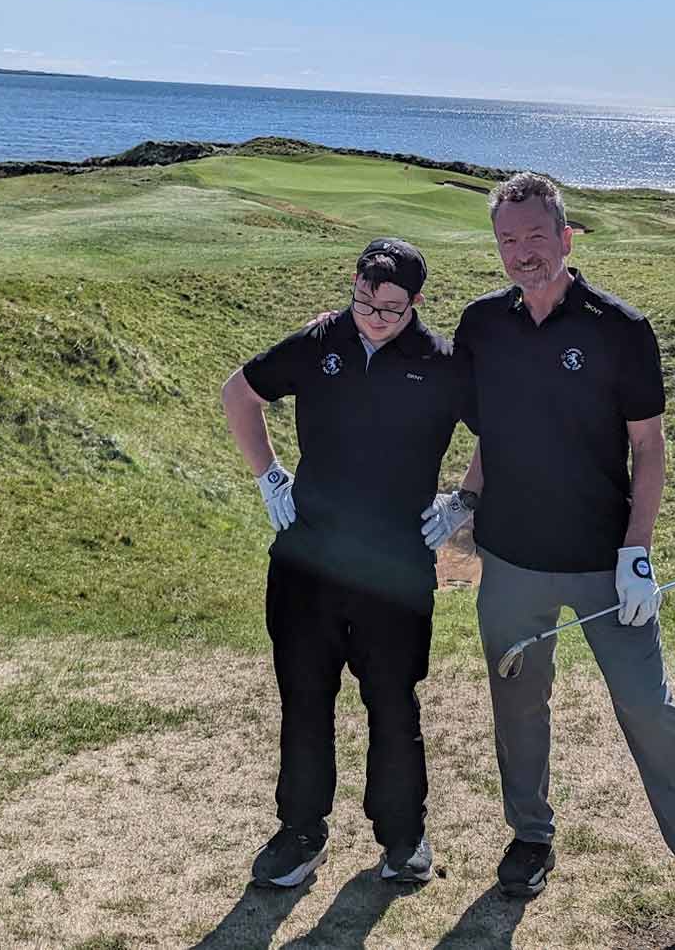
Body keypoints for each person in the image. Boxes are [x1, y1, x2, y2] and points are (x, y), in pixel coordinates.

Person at [418, 173, 675, 949]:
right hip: (512, 560)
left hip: (606, 565)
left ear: (566, 238)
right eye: (508, 240)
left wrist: (638, 550)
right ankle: (531, 836)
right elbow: (491, 438)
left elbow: (649, 446)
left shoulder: (619, 328)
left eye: (536, 237)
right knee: (517, 703)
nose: (521, 253)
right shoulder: (482, 325)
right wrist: (464, 503)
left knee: (649, 710)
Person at [221, 238, 474, 890]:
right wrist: (268, 477)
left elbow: (503, 431)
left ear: (416, 303)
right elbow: (239, 394)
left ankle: (403, 838)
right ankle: (300, 833)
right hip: (309, 562)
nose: (373, 319)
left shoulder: (443, 362)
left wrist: (464, 501)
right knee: (305, 700)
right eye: (364, 301)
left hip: (395, 568)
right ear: (353, 286)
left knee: (393, 703)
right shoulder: (319, 340)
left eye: (390, 309)